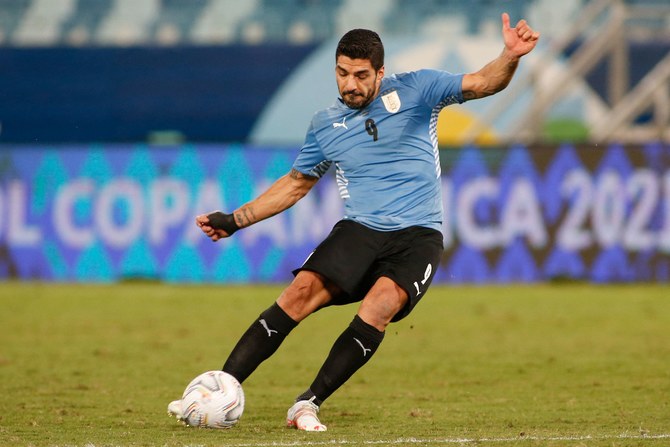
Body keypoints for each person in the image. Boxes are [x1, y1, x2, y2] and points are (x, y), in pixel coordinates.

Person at [169, 13, 539, 431]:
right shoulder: (325, 126)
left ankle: (307, 403)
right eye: (343, 73)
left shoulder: (419, 89)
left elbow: (482, 82)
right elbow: (294, 185)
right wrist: (235, 220)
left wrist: (510, 56)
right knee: (299, 293)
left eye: (361, 75)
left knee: (380, 304)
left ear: (381, 72)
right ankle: (218, 389)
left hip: (418, 235)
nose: (351, 84)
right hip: (360, 230)